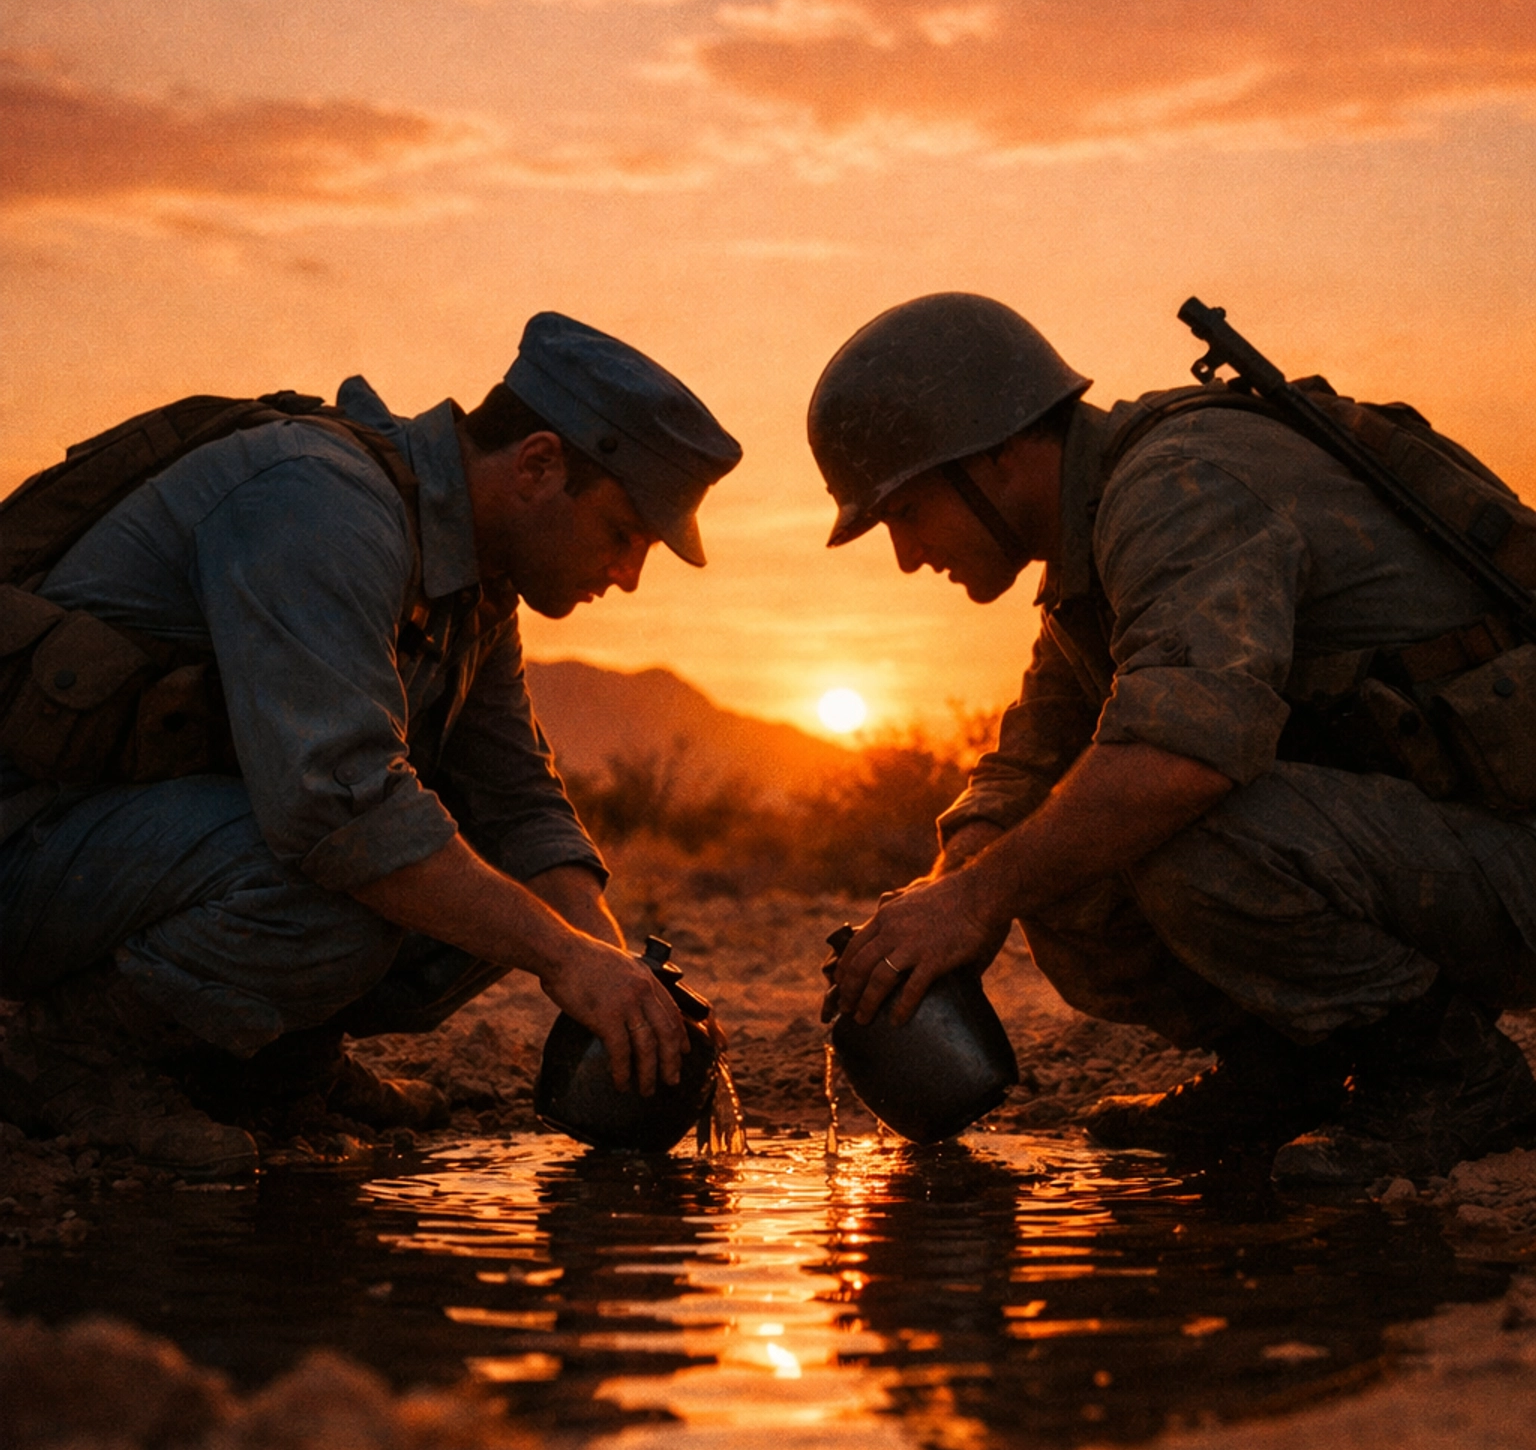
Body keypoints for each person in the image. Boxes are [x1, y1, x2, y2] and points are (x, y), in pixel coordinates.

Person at [810, 291, 1536, 1184]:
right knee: (1051, 856)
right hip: (1445, 847)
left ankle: (1451, 1075)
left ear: (995, 455)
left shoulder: (1178, 489)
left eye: (908, 513)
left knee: (1178, 828)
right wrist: (941, 895)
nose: (908, 557)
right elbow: (1029, 763)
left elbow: (1180, 762)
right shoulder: (1100, 540)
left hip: (1513, 851)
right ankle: (1291, 1073)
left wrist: (974, 901)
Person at [0, 314, 741, 1176]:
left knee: (485, 872)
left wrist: (615, 976)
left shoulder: (477, 589)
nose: (628, 575)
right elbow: (336, 806)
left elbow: (518, 802)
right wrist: (561, 958)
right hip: (28, 841)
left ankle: (277, 1067)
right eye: (623, 532)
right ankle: (66, 1060)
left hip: (129, 856)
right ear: (539, 465)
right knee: (353, 875)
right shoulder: (320, 503)